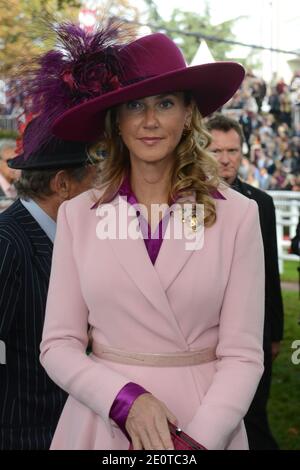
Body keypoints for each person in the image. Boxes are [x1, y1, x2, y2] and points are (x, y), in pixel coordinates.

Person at [38, 22, 265, 450]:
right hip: (100, 420)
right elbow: (58, 344)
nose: (149, 120)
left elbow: (243, 355)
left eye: (164, 103)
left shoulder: (238, 216)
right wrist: (125, 402)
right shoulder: (78, 216)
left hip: (204, 423)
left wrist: (195, 442)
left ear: (187, 115)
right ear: (116, 121)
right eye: (134, 105)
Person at [0, 122, 100, 449]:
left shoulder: (61, 239)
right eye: (93, 179)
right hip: (24, 436)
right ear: (63, 185)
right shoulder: (8, 242)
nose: (101, 192)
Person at [206, 114, 284, 450]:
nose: (226, 159)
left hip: (254, 331)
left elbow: (269, 273)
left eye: (233, 150)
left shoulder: (260, 203)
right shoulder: (186, 202)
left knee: (253, 417)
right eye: (217, 150)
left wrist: (275, 333)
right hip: (205, 330)